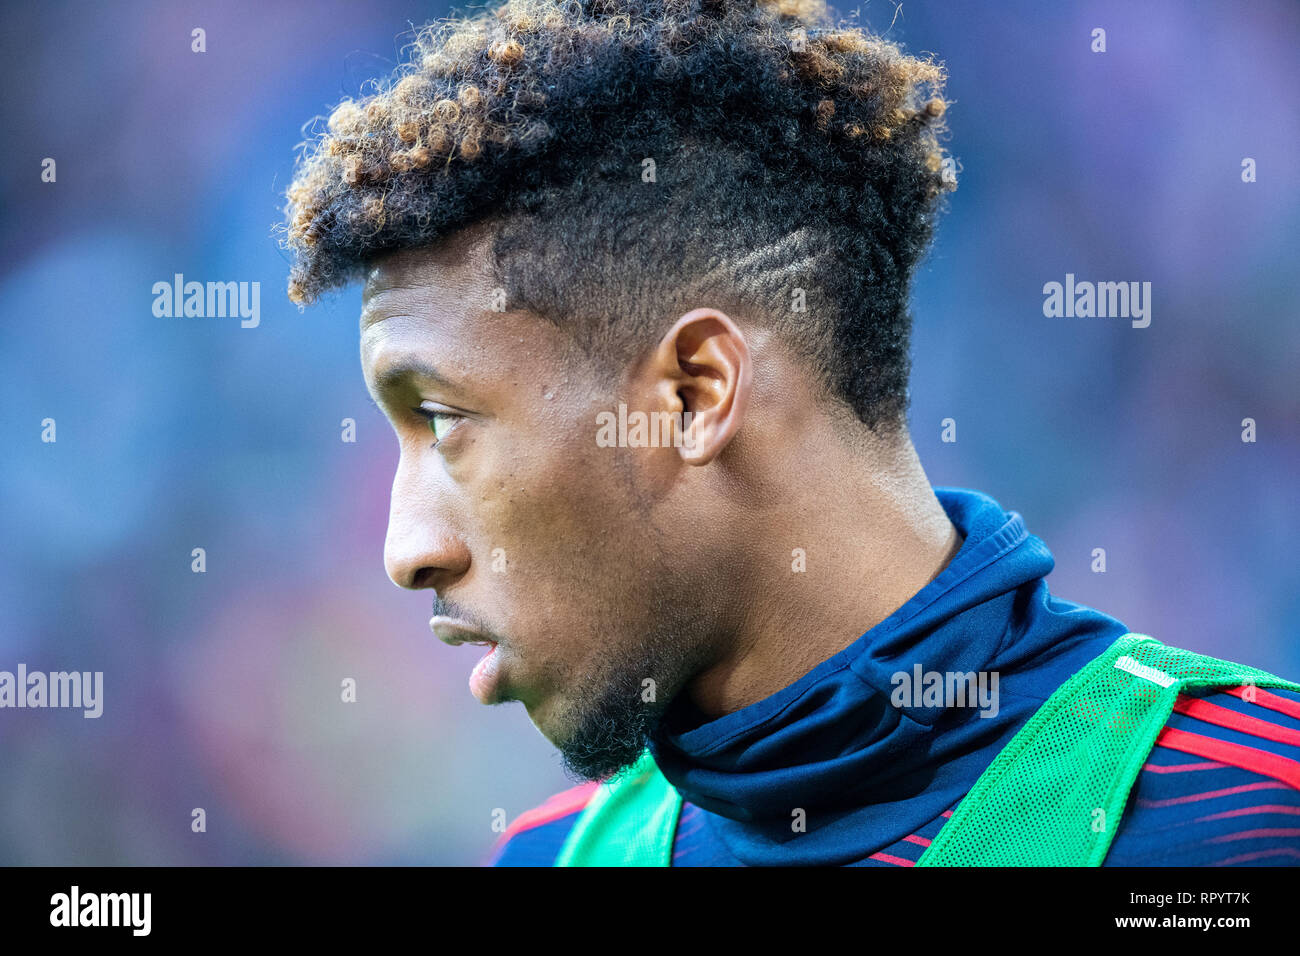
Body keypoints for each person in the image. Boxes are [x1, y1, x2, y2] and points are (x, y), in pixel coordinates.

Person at [281, 0, 1300, 866]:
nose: (406, 546)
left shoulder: (1256, 810)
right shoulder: (550, 853)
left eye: (447, 418)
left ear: (694, 392)